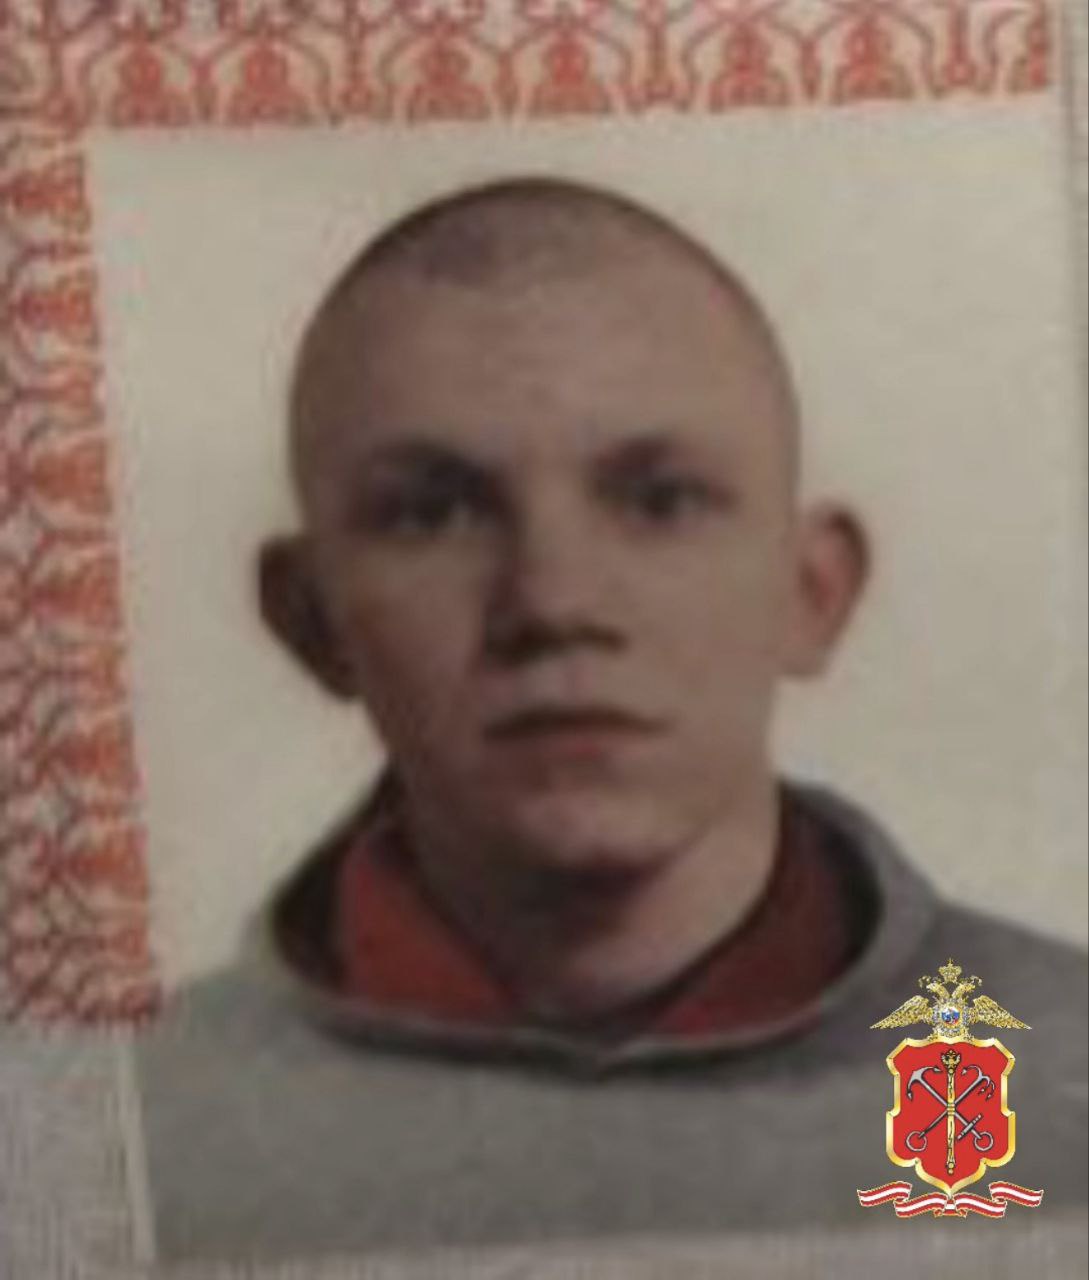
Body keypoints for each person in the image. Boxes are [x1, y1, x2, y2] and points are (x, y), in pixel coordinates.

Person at [135, 180, 1087, 1263]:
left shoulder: (1066, 1081)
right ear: (310, 620)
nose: (554, 602)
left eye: (661, 500)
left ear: (811, 592)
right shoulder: (118, 1129)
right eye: (432, 511)